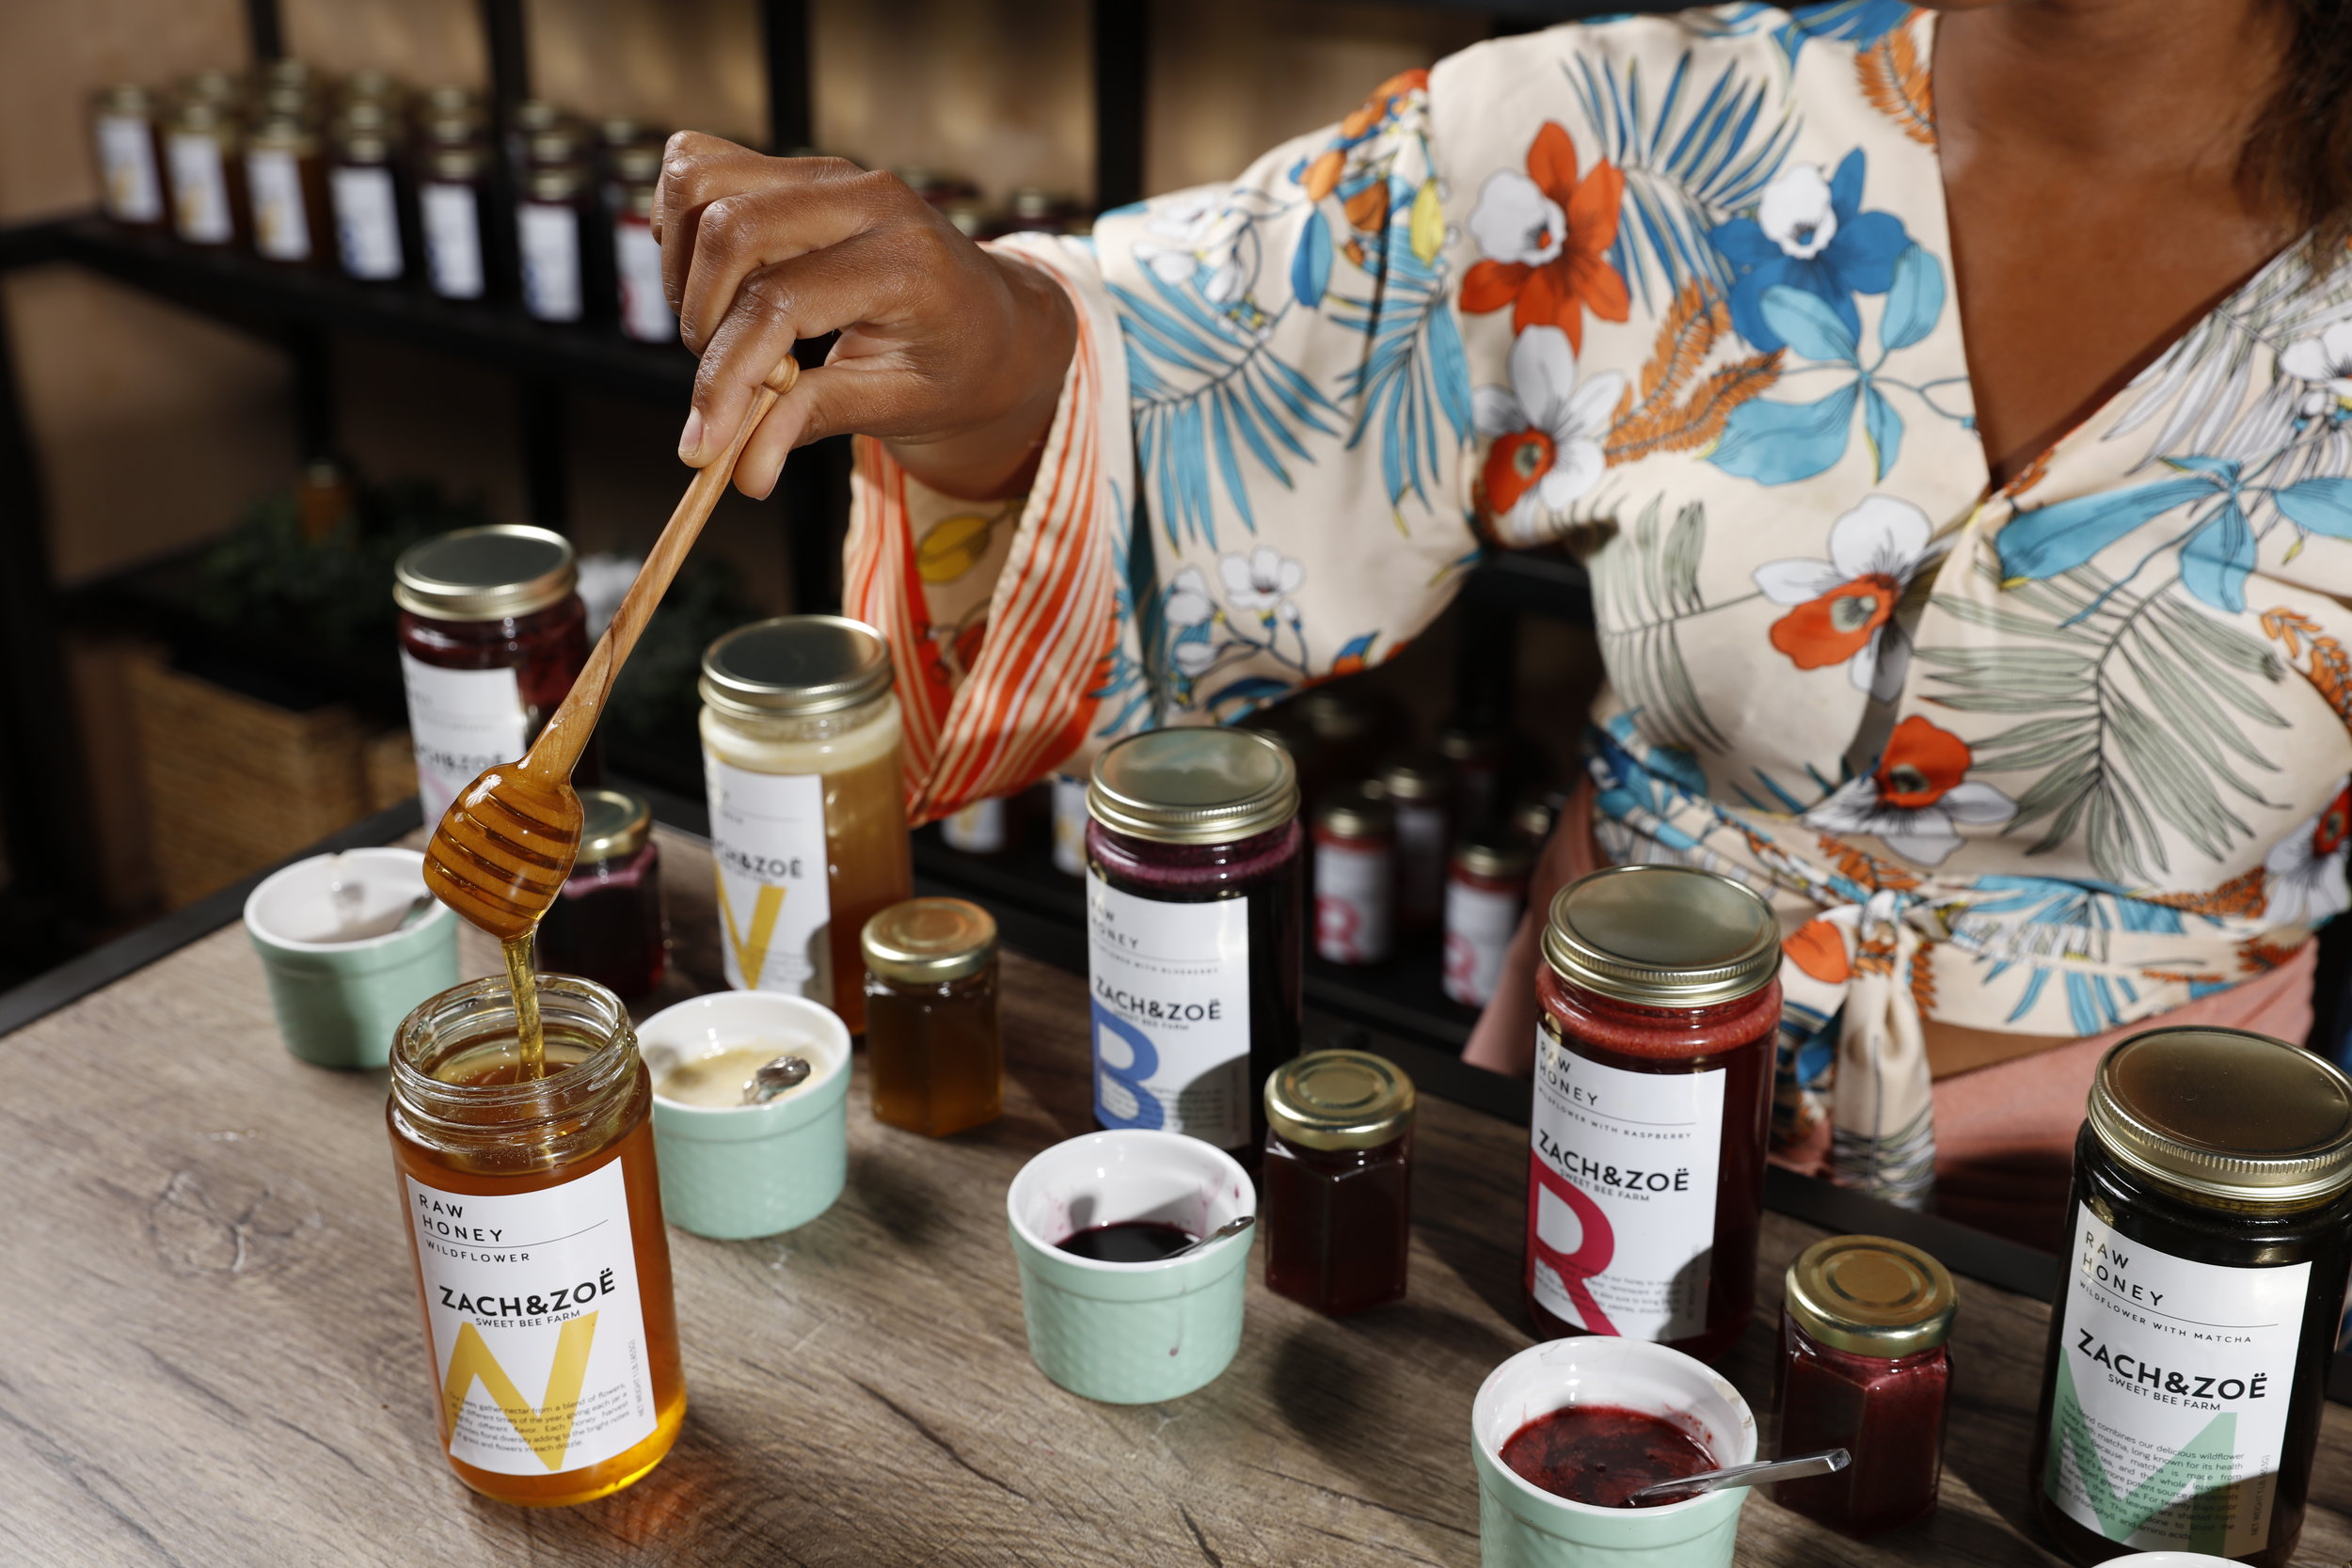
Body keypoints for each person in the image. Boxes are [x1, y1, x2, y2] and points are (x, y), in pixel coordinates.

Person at [654, 0, 2352, 1239]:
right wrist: (984, 340)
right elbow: (1195, 360)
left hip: (2169, 1218)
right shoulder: (1622, 128)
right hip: (1590, 1107)